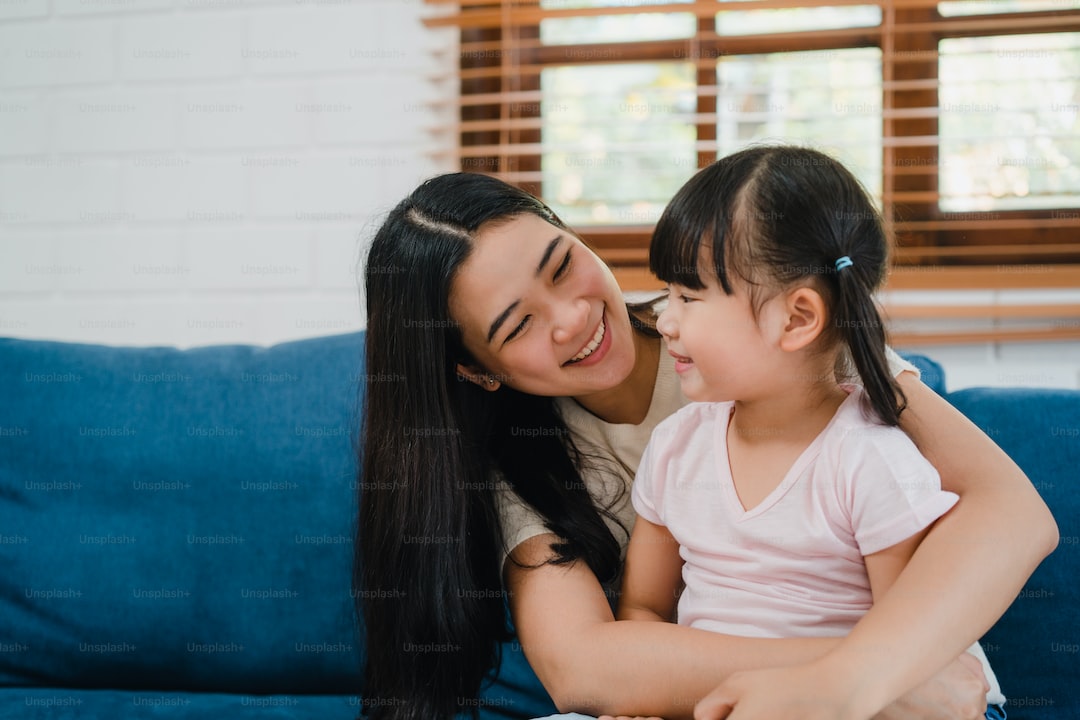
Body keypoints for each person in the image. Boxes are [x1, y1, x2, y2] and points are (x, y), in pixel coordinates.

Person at [355, 164, 1058, 720]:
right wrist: (869, 677)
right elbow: (585, 669)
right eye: (517, 326)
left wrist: (860, 680)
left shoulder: (767, 335)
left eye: (561, 264)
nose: (572, 317)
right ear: (477, 369)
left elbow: (1013, 513)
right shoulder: (521, 464)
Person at [614, 146, 1009, 720]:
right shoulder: (675, 447)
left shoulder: (868, 460)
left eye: (689, 297)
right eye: (667, 294)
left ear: (796, 319)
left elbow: (910, 653)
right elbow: (644, 610)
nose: (665, 320)